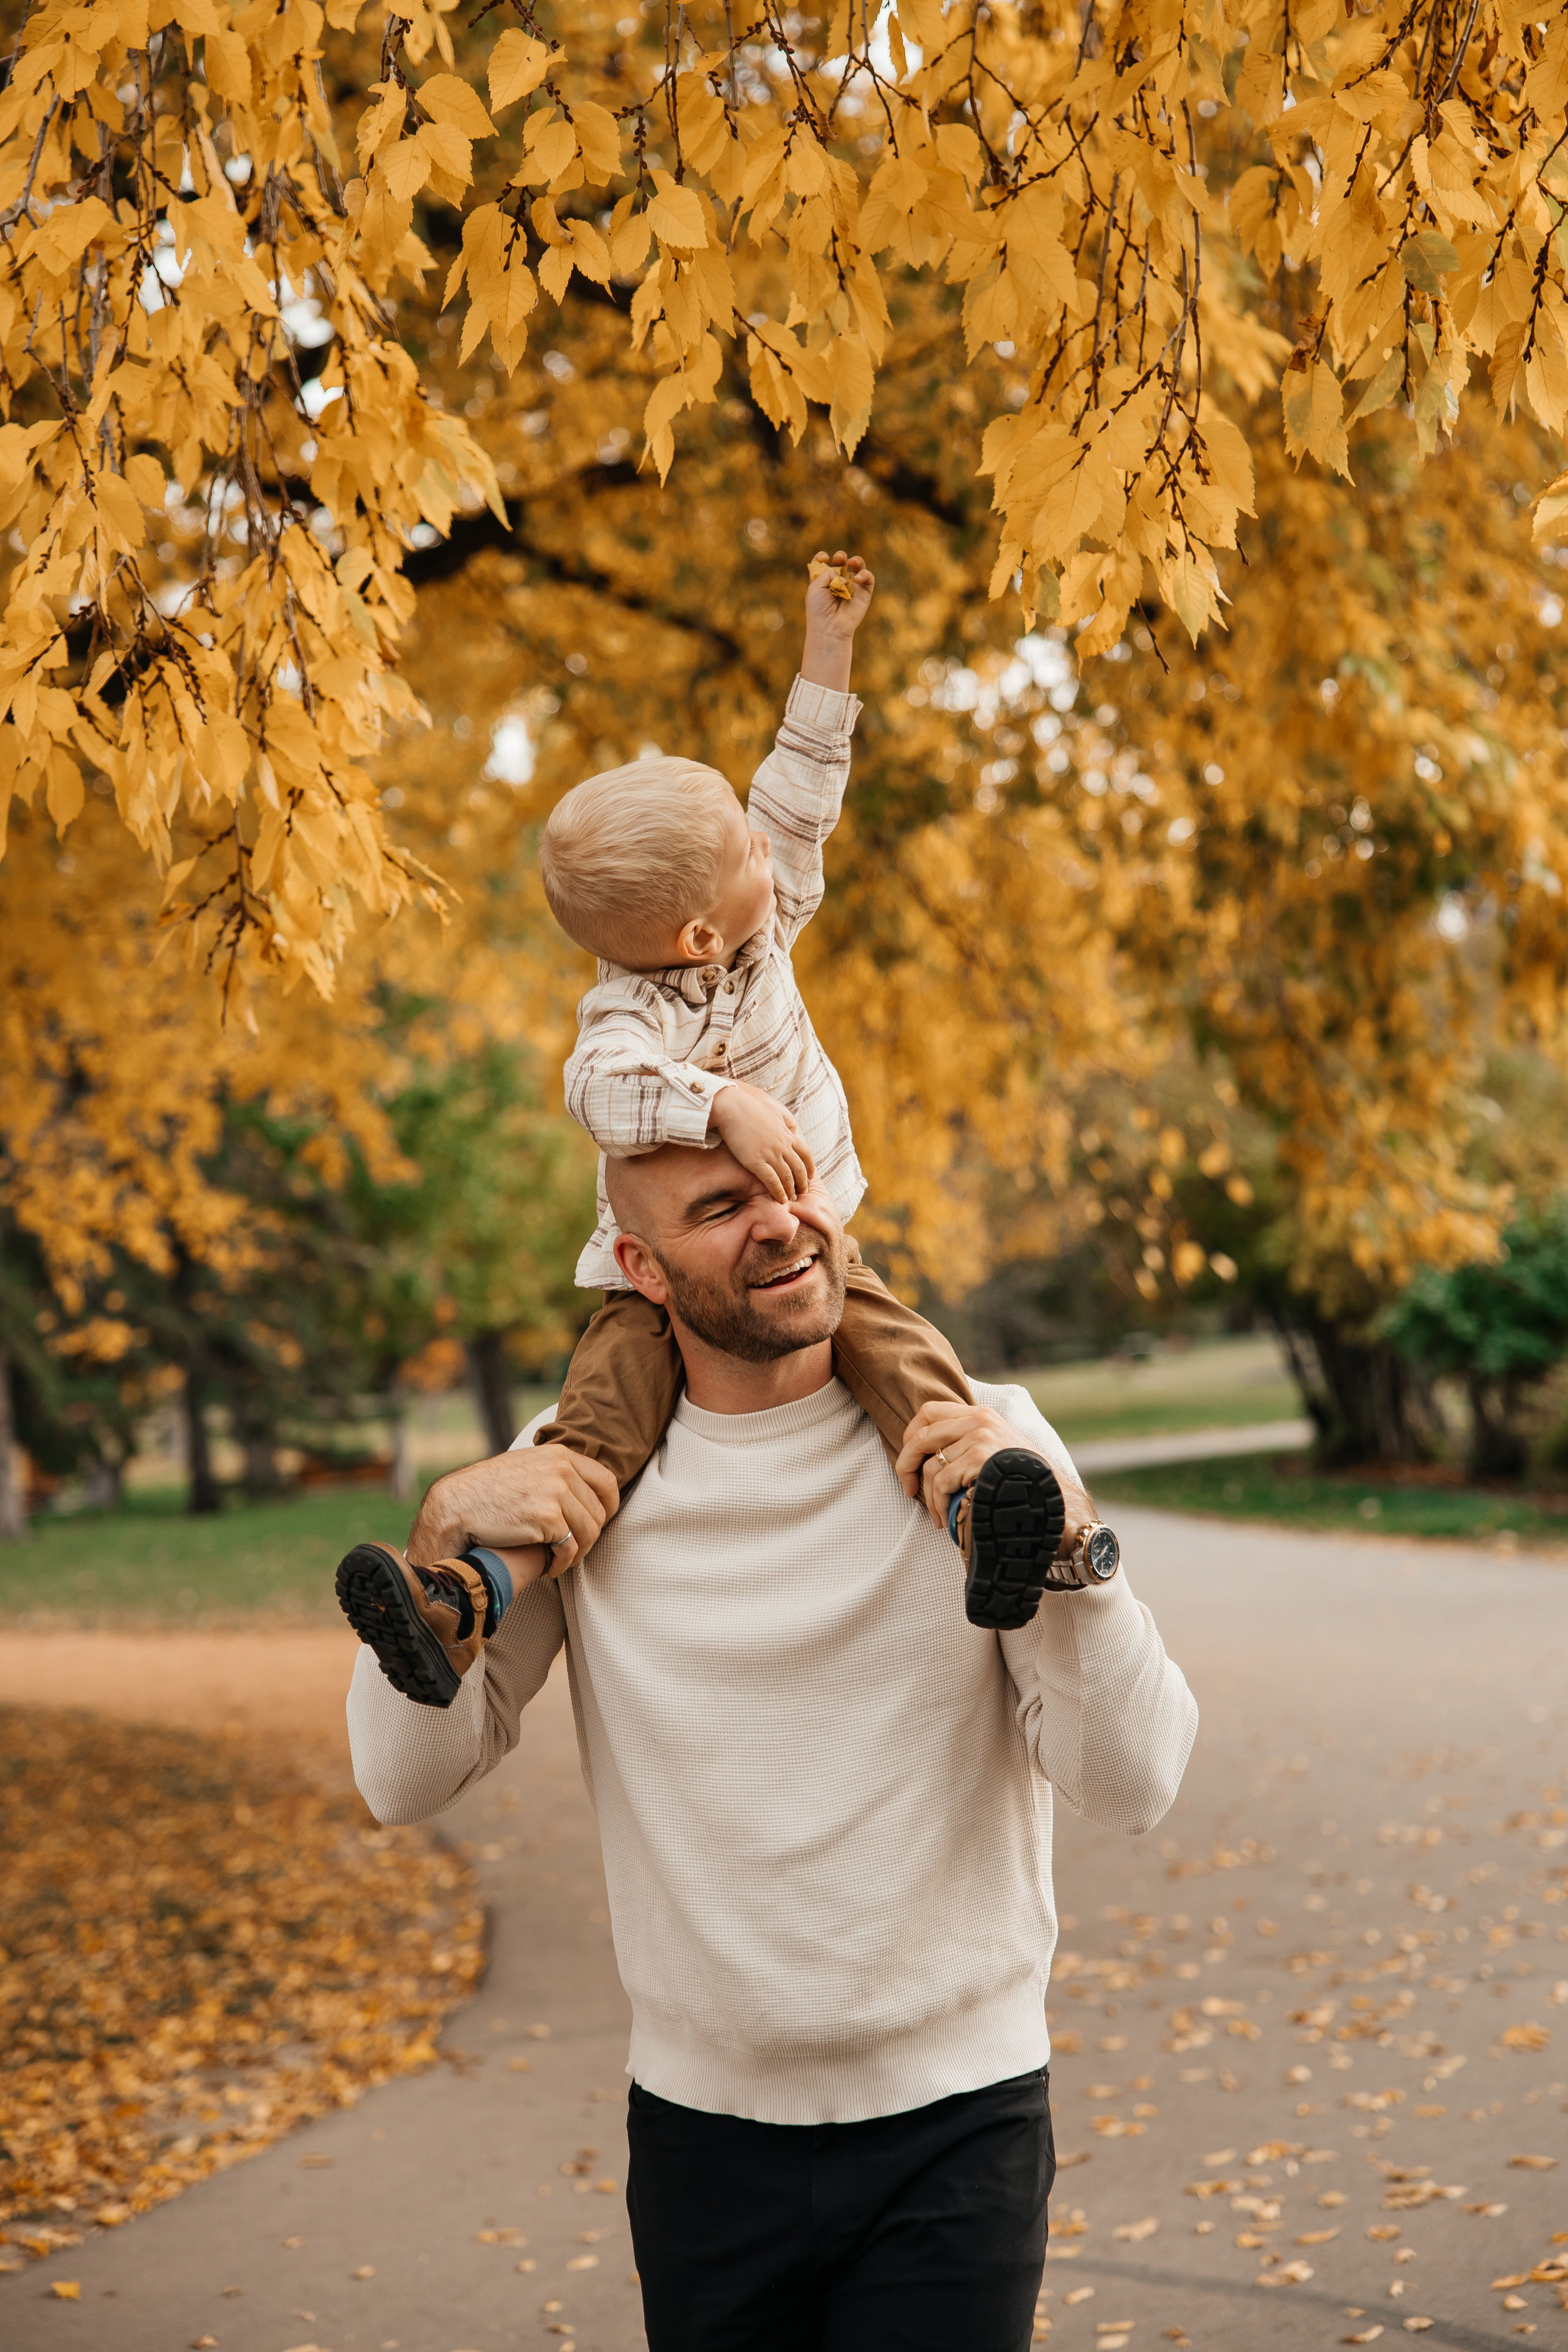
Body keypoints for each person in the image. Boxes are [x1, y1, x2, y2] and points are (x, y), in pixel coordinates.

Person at [346, 1139, 1197, 2352]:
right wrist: (438, 1537)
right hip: (702, 2139)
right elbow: (398, 1780)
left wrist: (1075, 1558)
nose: (779, 1222)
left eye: (792, 1187)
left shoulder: (981, 1447)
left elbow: (1136, 1780)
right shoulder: (572, 1474)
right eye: (719, 1206)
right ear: (636, 1265)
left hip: (957, 2122)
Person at [334, 551, 1073, 1702]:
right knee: (587, 1448)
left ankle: (986, 1513)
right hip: (657, 1298)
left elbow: (800, 786)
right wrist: (719, 1099)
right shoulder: (623, 1014)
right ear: (691, 934)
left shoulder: (762, 924)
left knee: (903, 1359)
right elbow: (600, 1090)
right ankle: (462, 1599)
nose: (768, 851)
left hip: (829, 1236)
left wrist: (828, 649)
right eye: (744, 853)